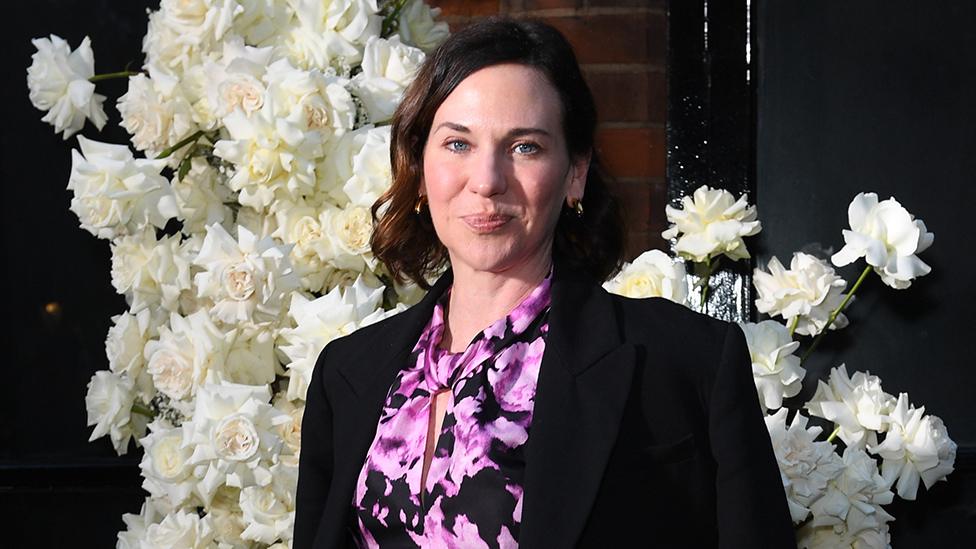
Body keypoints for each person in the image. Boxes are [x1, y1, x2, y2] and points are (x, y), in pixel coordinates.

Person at [295, 17, 795, 549]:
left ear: (575, 172)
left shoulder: (686, 364)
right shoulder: (347, 373)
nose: (487, 180)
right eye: (458, 144)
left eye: (525, 147)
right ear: (419, 170)